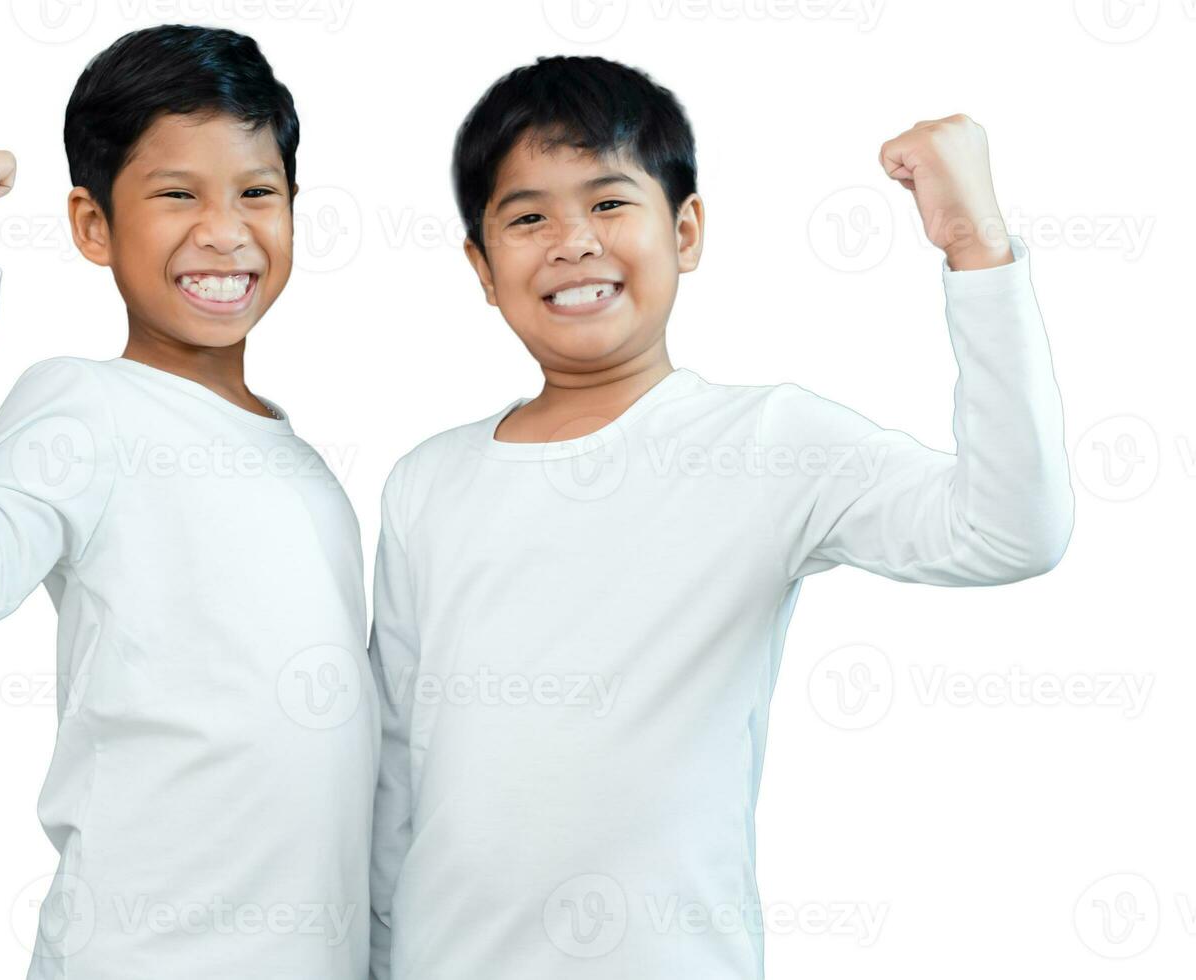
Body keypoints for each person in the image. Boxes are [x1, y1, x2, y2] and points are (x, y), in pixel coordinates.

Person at [366, 55, 1072, 979]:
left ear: (685, 229)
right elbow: (392, 768)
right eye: (527, 215)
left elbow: (1009, 531)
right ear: (481, 266)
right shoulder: (428, 480)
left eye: (610, 203)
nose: (572, 241)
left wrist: (975, 250)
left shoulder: (771, 442)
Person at [0, 24, 376, 979]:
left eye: (257, 193)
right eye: (176, 193)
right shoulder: (85, 406)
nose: (224, 231)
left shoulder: (304, 466)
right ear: (93, 225)